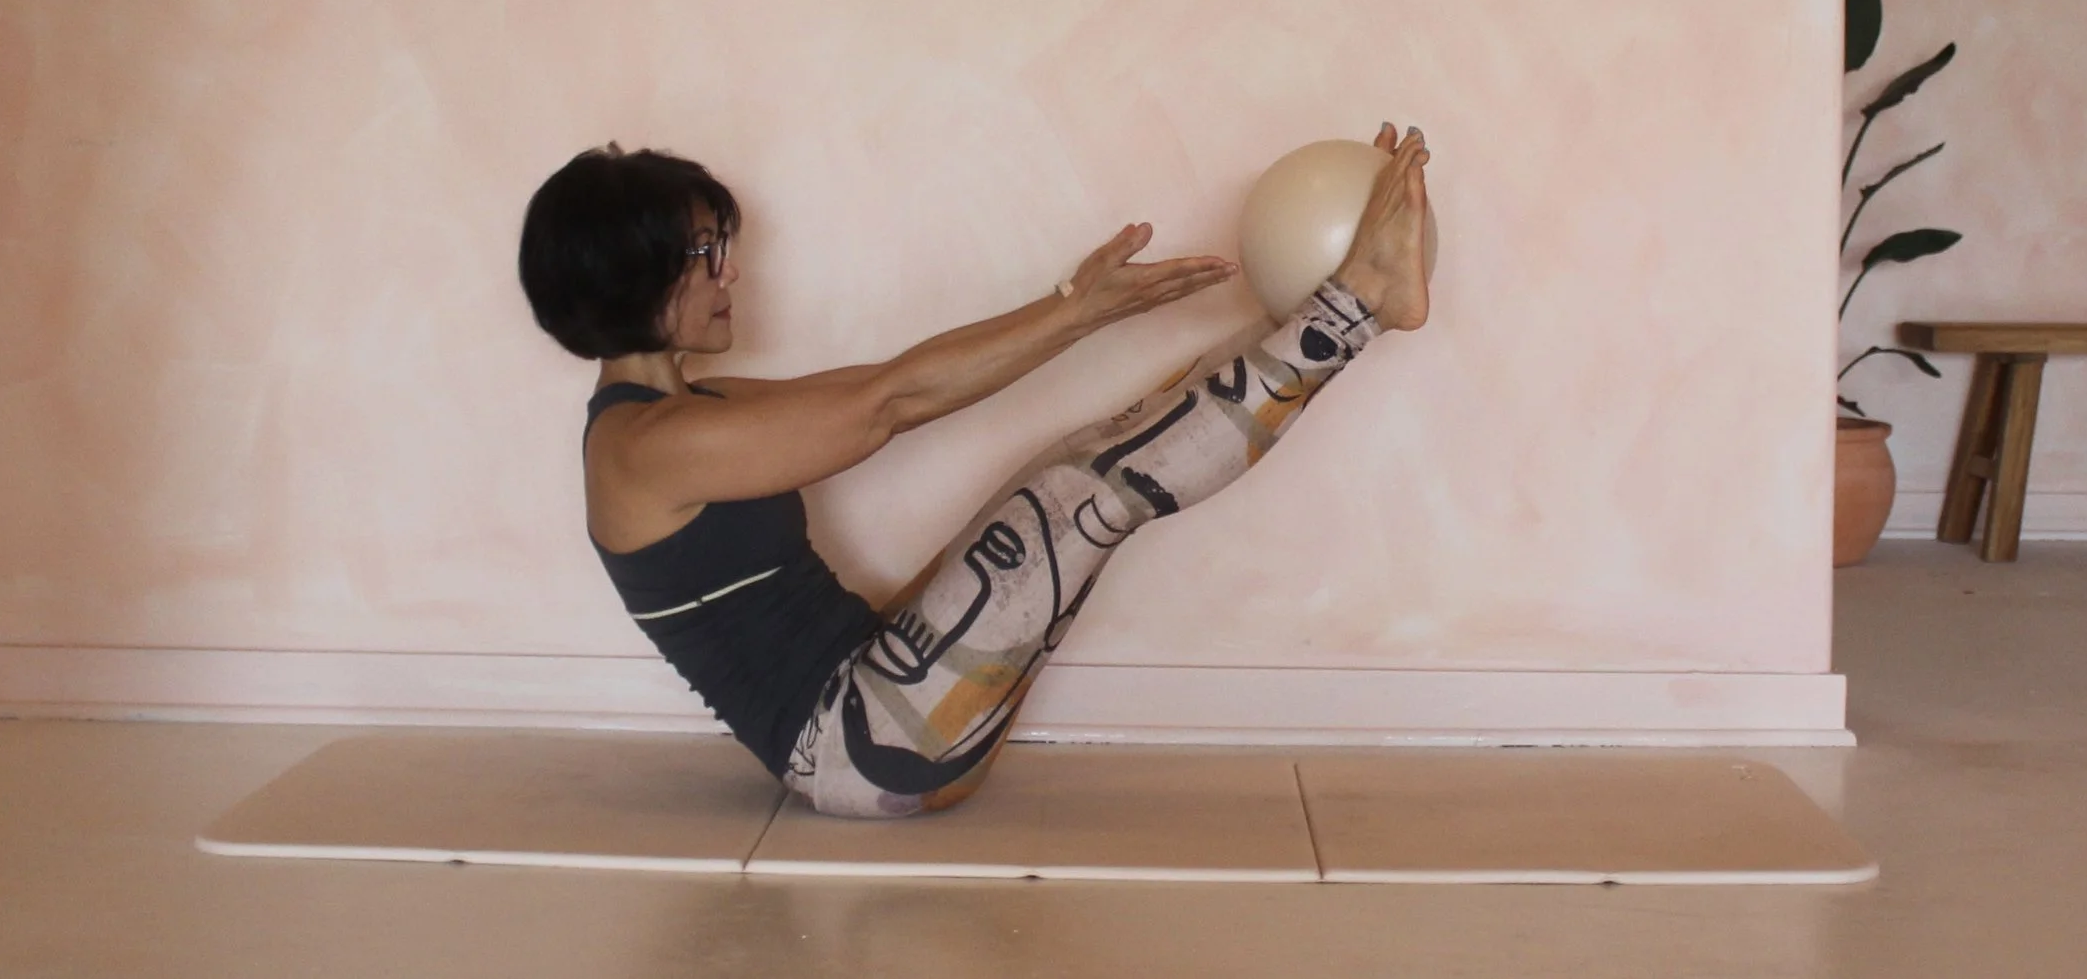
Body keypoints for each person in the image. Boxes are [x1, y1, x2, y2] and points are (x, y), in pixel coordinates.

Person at [518, 126, 1431, 820]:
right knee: (1081, 487)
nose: (732, 270)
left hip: (877, 696)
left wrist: (1079, 307)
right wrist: (1078, 313)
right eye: (706, 252)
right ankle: (1358, 302)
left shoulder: (688, 415)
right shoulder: (649, 447)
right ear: (633, 272)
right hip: (860, 746)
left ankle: (1348, 296)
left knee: (1092, 456)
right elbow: (891, 402)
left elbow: (889, 379)